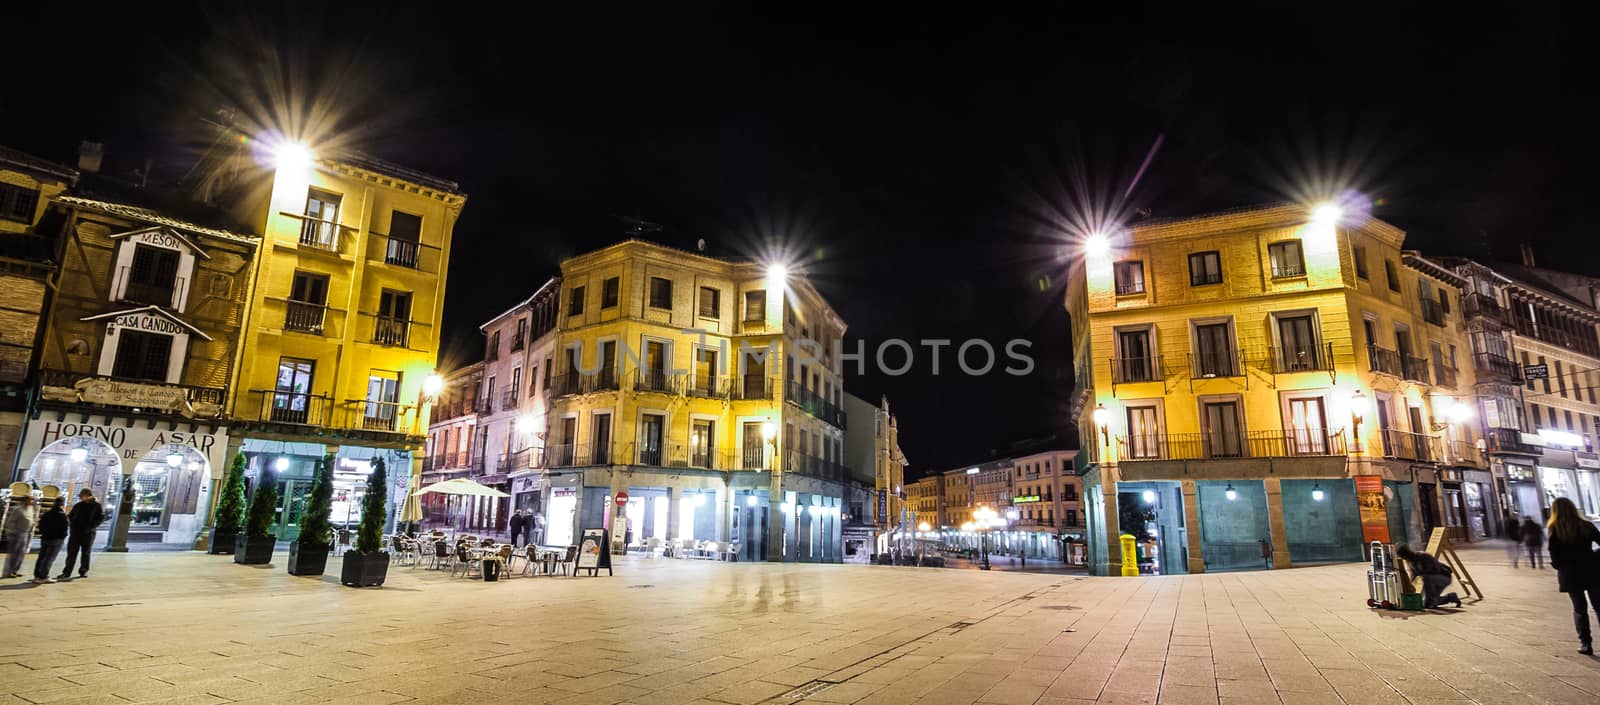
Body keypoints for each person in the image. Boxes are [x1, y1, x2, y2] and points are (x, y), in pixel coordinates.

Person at [1545, 497, 1600, 655]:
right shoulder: (1586, 525)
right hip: (1591, 570)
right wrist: (1594, 556)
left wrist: (1559, 565)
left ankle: (1585, 643)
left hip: (1570, 573)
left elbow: (1554, 554)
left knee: (1579, 609)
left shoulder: (1555, 528)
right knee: (1598, 606)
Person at [1396, 544, 1463, 609]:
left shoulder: (1423, 556)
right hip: (1431, 580)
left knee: (1427, 579)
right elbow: (1413, 575)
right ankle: (1452, 597)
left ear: (1407, 553)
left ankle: (1432, 601)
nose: (1404, 559)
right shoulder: (1410, 562)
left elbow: (1436, 569)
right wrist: (1410, 587)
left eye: (1403, 556)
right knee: (1428, 602)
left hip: (1443, 577)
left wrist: (1423, 573)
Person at [58, 488, 105, 580]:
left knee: (86, 553)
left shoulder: (96, 506)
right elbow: (70, 516)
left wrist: (92, 527)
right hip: (76, 532)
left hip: (89, 533)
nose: (80, 497)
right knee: (71, 553)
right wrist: (72, 525)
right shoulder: (78, 505)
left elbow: (101, 518)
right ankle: (66, 572)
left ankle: (83, 571)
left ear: (88, 495)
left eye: (82, 496)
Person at [32, 497, 69, 584]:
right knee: (50, 558)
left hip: (45, 538)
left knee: (41, 557)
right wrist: (63, 537)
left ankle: (37, 575)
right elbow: (64, 528)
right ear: (62, 504)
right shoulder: (62, 515)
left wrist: (44, 533)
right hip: (56, 539)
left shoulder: (47, 513)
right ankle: (43, 576)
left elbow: (40, 525)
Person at [3, 494, 39, 578]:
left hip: (26, 533)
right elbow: (11, 522)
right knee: (14, 554)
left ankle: (16, 570)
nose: (32, 502)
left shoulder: (30, 509)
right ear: (25, 500)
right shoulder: (18, 509)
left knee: (21, 554)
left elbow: (32, 519)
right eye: (31, 500)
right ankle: (9, 571)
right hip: (17, 533)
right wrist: (13, 532)